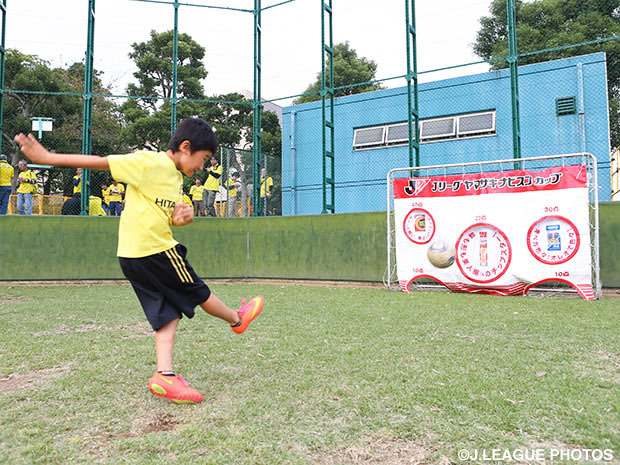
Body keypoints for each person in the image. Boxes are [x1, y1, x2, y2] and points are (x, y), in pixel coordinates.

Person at [15, 117, 264, 404]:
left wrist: (181, 219)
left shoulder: (174, 179)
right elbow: (102, 162)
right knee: (197, 290)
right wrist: (48, 158)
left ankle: (165, 376)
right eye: (204, 158)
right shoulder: (151, 163)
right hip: (156, 251)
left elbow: (167, 216)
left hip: (132, 255)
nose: (203, 167)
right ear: (186, 147)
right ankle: (237, 319)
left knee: (166, 313)